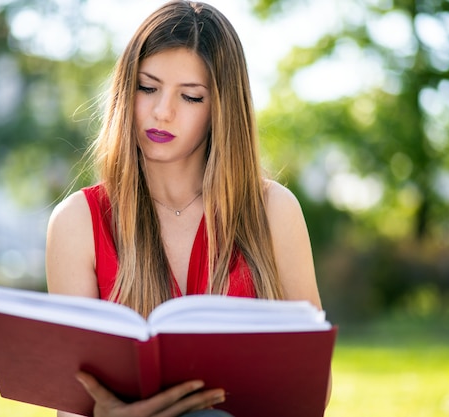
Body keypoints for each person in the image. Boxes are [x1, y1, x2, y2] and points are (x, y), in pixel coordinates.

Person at [45, 1, 329, 416]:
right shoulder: (77, 222)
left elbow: (314, 389)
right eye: (147, 88)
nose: (163, 111)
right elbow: (70, 407)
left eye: (191, 96)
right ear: (126, 91)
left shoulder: (274, 211)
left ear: (221, 109)